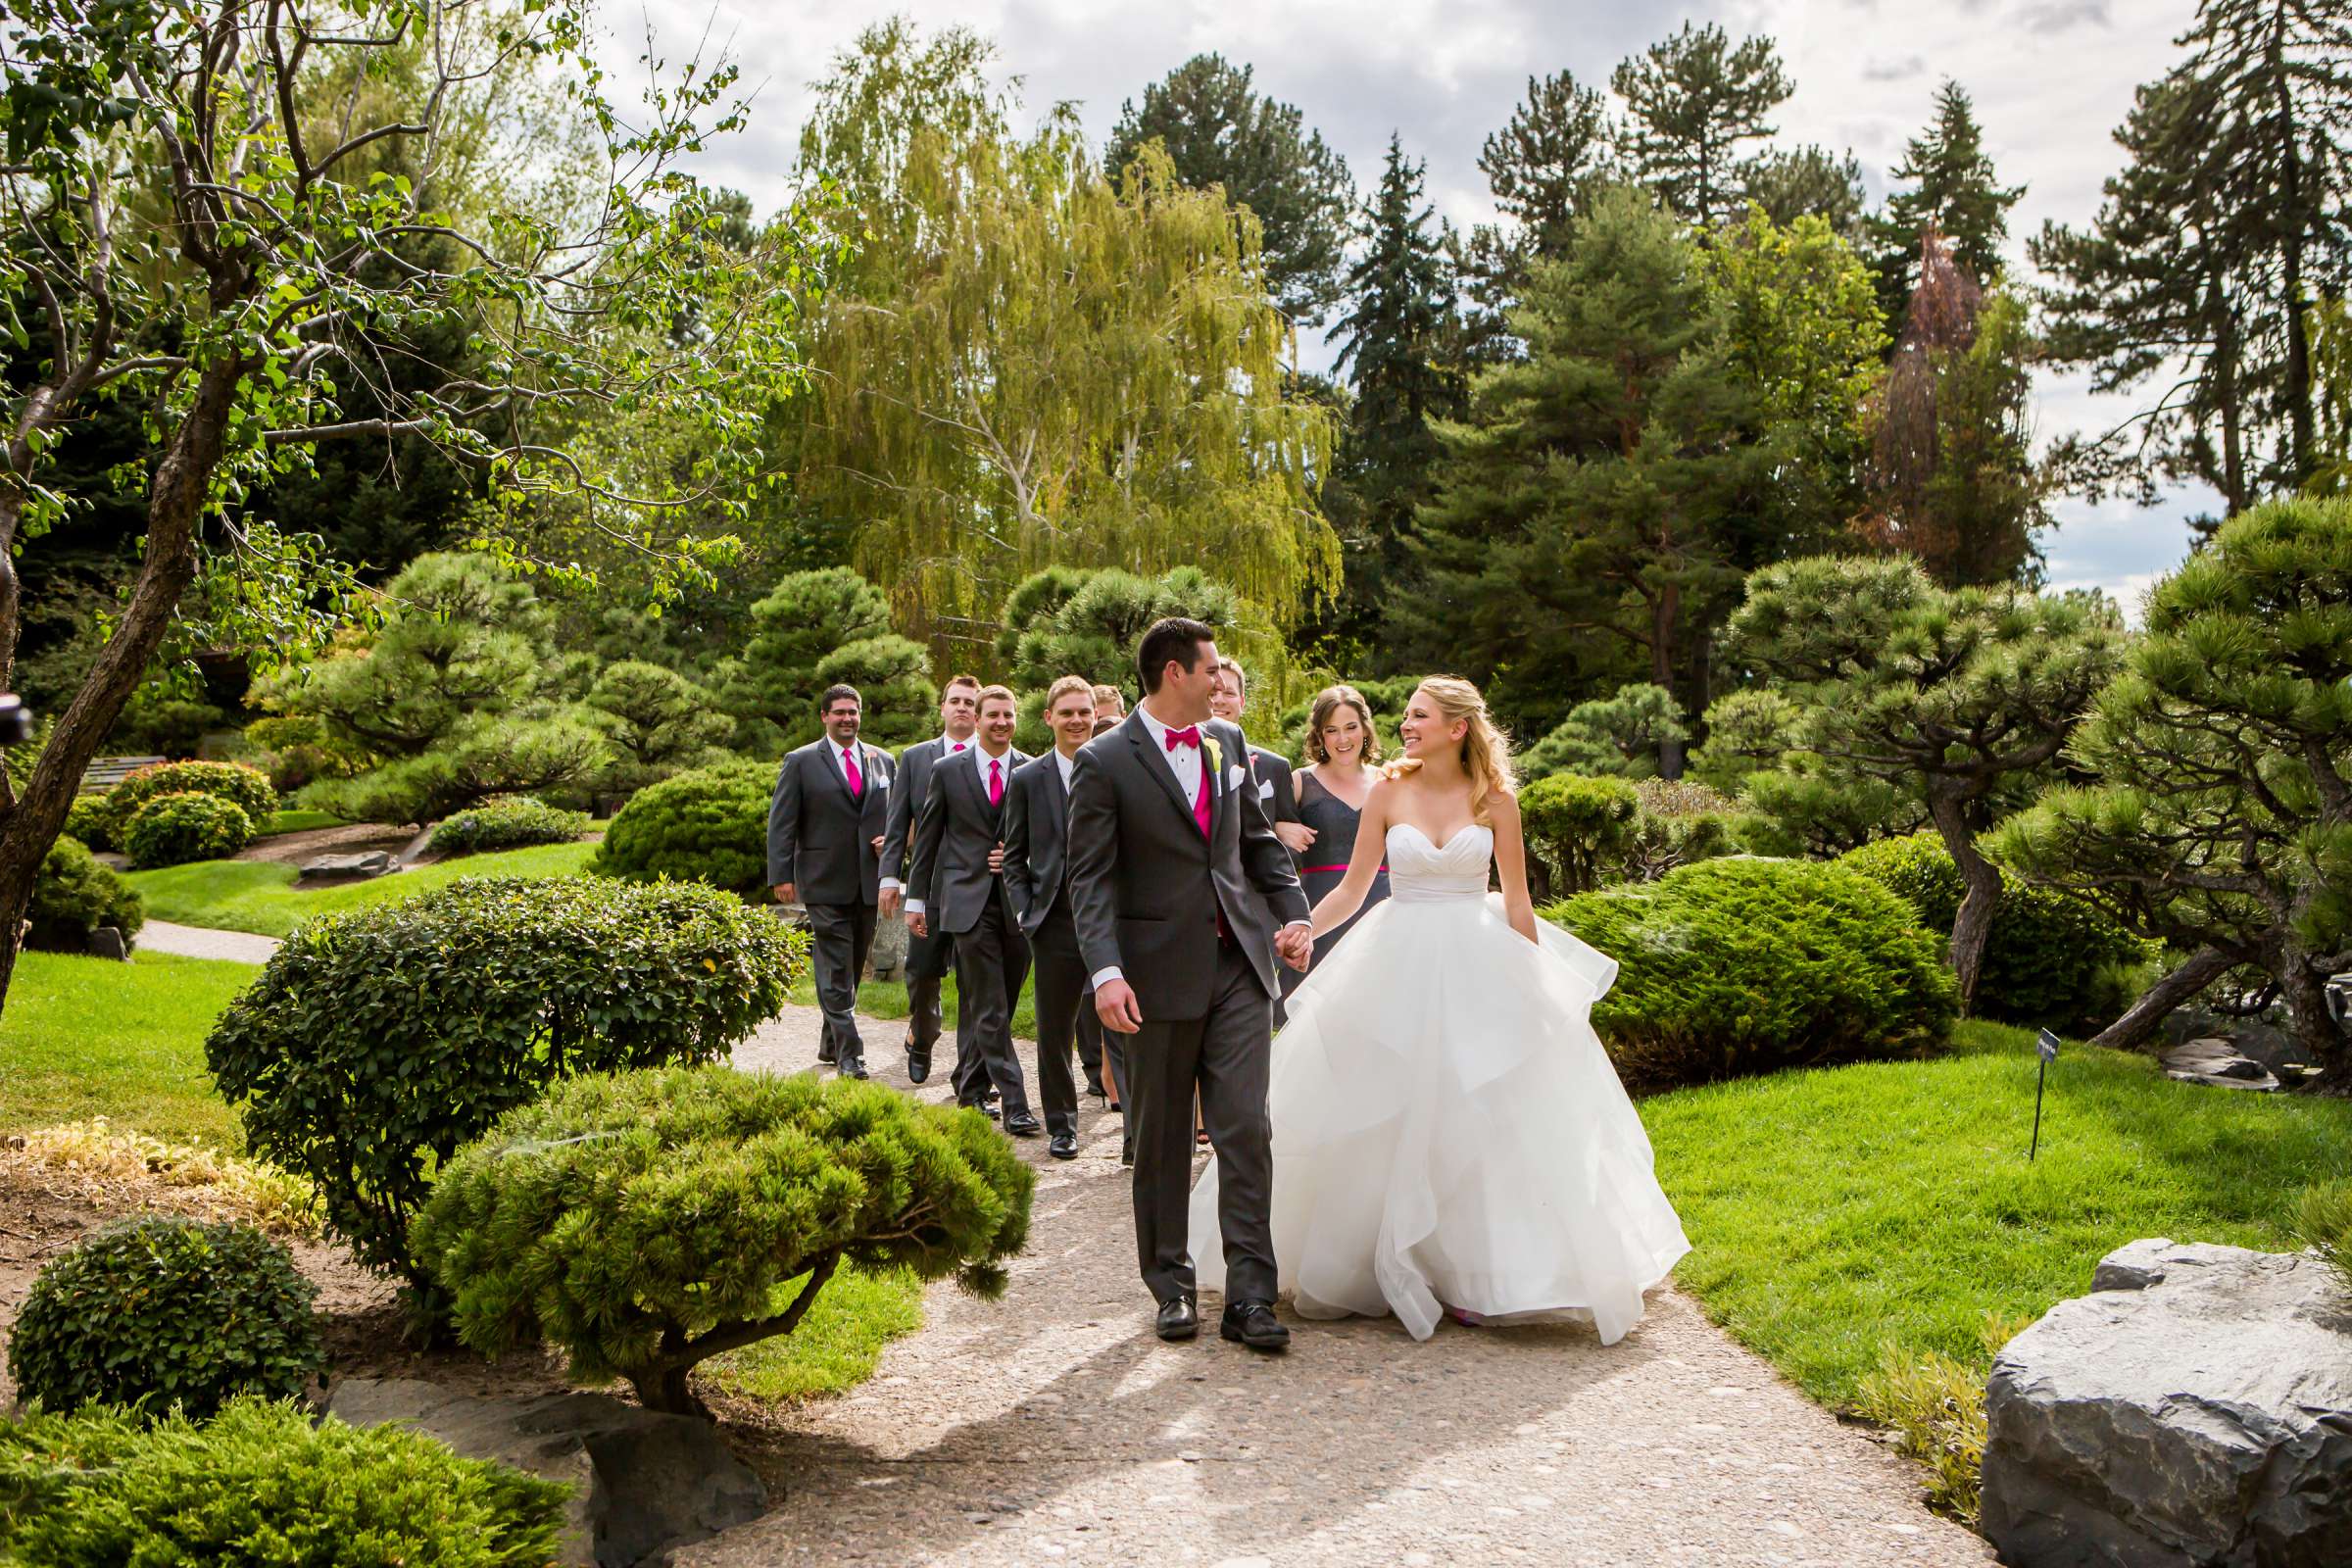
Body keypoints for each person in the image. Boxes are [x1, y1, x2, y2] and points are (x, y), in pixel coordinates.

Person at [1190, 676, 1689, 1345]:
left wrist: (1535, 987)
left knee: (1479, 1111)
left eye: (1420, 716)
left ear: (1458, 727)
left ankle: (1482, 1275)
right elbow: (1355, 887)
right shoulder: (1388, 792)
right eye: (1407, 716)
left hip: (1477, 959)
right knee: (1383, 1105)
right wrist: (1303, 926)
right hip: (1396, 955)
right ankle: (1383, 1262)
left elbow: (1517, 904)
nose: (1405, 726)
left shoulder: (1497, 802)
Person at [1065, 618, 1311, 1350]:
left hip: (1238, 966)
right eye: (1210, 672)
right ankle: (1171, 1286)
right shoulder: (1104, 762)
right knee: (1165, 1140)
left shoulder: (1228, 743)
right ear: (1175, 673)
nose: (1221, 684)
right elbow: (1090, 878)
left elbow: (1256, 843)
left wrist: (1294, 917)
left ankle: (1251, 1299)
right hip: (1153, 978)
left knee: (1245, 1128)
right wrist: (1106, 972)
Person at [908, 684, 1039, 1135]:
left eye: (1009, 715)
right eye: (993, 715)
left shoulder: (1031, 770)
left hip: (1019, 905)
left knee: (1001, 998)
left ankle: (969, 1088)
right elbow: (927, 839)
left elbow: (1050, 837)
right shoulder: (947, 770)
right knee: (989, 1005)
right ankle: (1016, 1103)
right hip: (965, 901)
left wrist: (1023, 860)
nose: (1001, 723)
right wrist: (915, 899)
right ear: (978, 720)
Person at [766, 683, 895, 1079]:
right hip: (823, 881)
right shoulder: (801, 761)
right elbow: (782, 822)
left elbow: (897, 815)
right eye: (839, 712)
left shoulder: (883, 760)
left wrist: (891, 843)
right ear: (824, 716)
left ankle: (829, 1040)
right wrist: (781, 874)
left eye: (853, 712)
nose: (847, 718)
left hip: (868, 881)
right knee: (836, 963)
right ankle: (850, 1054)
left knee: (853, 966)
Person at [1000, 674, 1099, 1161]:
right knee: (1055, 1028)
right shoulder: (1027, 779)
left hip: (1110, 919)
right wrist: (1025, 909)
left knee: (1125, 1023)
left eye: (1084, 711)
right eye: (1067, 713)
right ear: (1049, 719)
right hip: (1053, 921)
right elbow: (1013, 857)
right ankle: (1063, 1125)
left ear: (1095, 715)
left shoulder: (1117, 770)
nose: (1076, 720)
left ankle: (1132, 1132)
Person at [879, 675, 980, 1088]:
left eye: (969, 703)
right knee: (922, 973)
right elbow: (898, 820)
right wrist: (890, 877)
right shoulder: (916, 758)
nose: (962, 708)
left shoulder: (1001, 758)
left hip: (977, 889)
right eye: (954, 701)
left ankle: (969, 1076)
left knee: (976, 983)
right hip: (931, 885)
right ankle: (923, 1035)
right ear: (942, 708)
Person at [1281, 685, 1392, 1010]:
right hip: (1319, 905)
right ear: (1320, 736)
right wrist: (1279, 827)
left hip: (1379, 904)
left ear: (1365, 729)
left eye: (1350, 727)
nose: (1343, 739)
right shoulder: (1300, 781)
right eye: (1332, 730)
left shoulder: (1388, 781)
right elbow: (1251, 833)